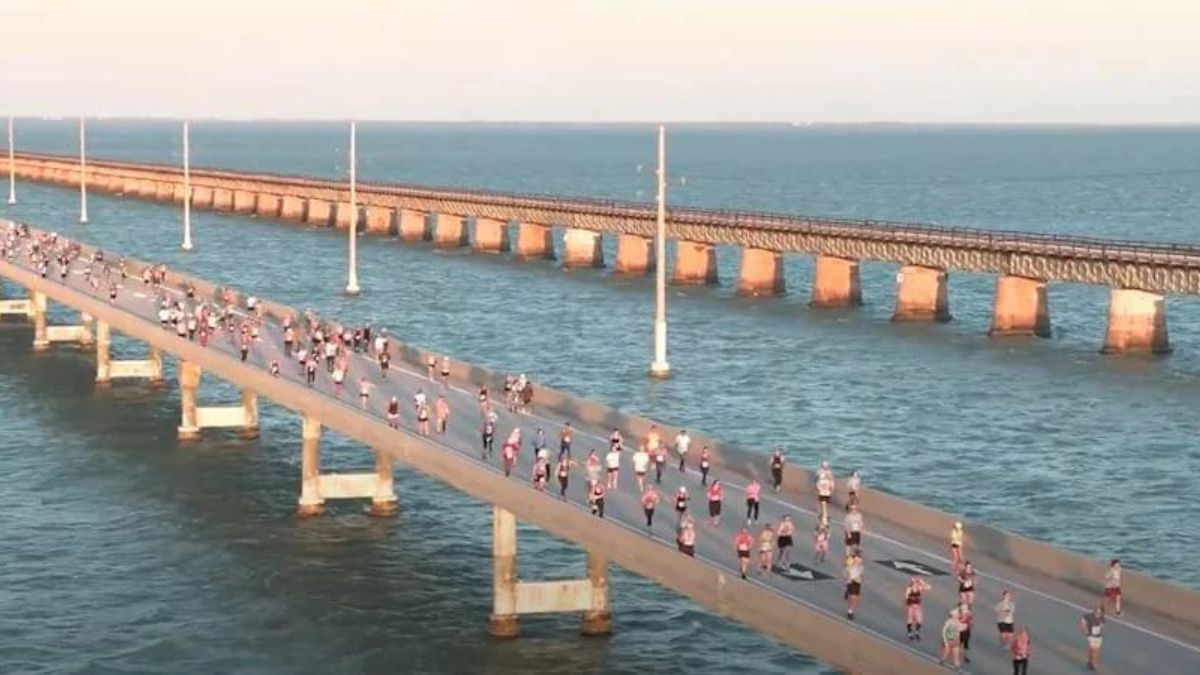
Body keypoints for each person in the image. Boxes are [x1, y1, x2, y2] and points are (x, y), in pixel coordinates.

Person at [904, 576, 932, 641]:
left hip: (917, 605)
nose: (916, 583)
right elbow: (907, 597)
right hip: (911, 605)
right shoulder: (909, 588)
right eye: (915, 582)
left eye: (917, 582)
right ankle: (910, 633)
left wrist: (923, 582)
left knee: (919, 620)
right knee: (910, 619)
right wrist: (911, 599)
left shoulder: (919, 588)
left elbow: (929, 588)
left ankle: (917, 632)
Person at [1080, 604, 1105, 671]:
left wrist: (1100, 628)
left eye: (1099, 612)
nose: (1098, 613)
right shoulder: (1089, 616)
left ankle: (1093, 663)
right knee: (1091, 649)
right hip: (1090, 635)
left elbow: (1102, 626)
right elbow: (1083, 622)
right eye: (1096, 611)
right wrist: (1086, 631)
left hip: (1098, 636)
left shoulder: (1102, 618)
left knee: (1096, 650)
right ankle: (1089, 661)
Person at [843, 551, 864, 620]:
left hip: (857, 581)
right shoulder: (850, 562)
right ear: (854, 557)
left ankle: (847, 591)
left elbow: (861, 573)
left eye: (860, 557)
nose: (859, 559)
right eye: (858, 557)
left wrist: (861, 578)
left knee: (855, 598)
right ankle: (850, 612)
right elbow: (846, 572)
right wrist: (847, 579)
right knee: (852, 597)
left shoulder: (861, 565)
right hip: (851, 580)